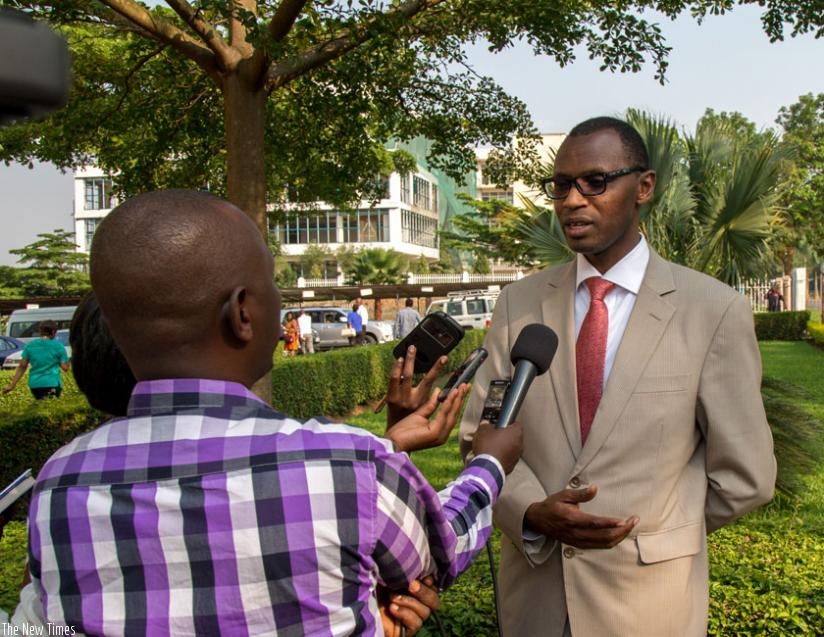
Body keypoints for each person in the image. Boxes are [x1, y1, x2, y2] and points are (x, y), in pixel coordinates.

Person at [27, 189, 522, 636]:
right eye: (272, 284)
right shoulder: (346, 467)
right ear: (242, 313)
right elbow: (440, 551)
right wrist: (489, 465)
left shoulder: (57, 484)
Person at [459, 117, 776, 637]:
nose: (572, 200)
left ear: (644, 187)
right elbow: (479, 439)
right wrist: (533, 513)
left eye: (595, 182)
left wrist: (654, 529)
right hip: (535, 604)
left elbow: (747, 477)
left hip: (650, 609)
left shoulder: (711, 311)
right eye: (561, 186)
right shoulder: (519, 304)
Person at [2, 320, 69, 399]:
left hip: (35, 384)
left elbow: (22, 366)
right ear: (54, 331)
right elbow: (65, 368)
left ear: (40, 331)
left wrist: (11, 385)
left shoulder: (30, 345)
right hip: (52, 383)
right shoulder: (58, 346)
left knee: (39, 405)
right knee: (50, 407)